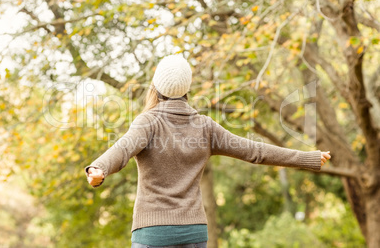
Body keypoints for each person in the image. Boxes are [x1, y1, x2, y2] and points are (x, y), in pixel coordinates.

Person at [84, 54, 331, 248]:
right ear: (187, 87)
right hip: (194, 233)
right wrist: (308, 158)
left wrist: (99, 168)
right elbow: (255, 151)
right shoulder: (205, 126)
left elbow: (122, 148)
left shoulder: (148, 122)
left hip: (154, 233)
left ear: (155, 86)